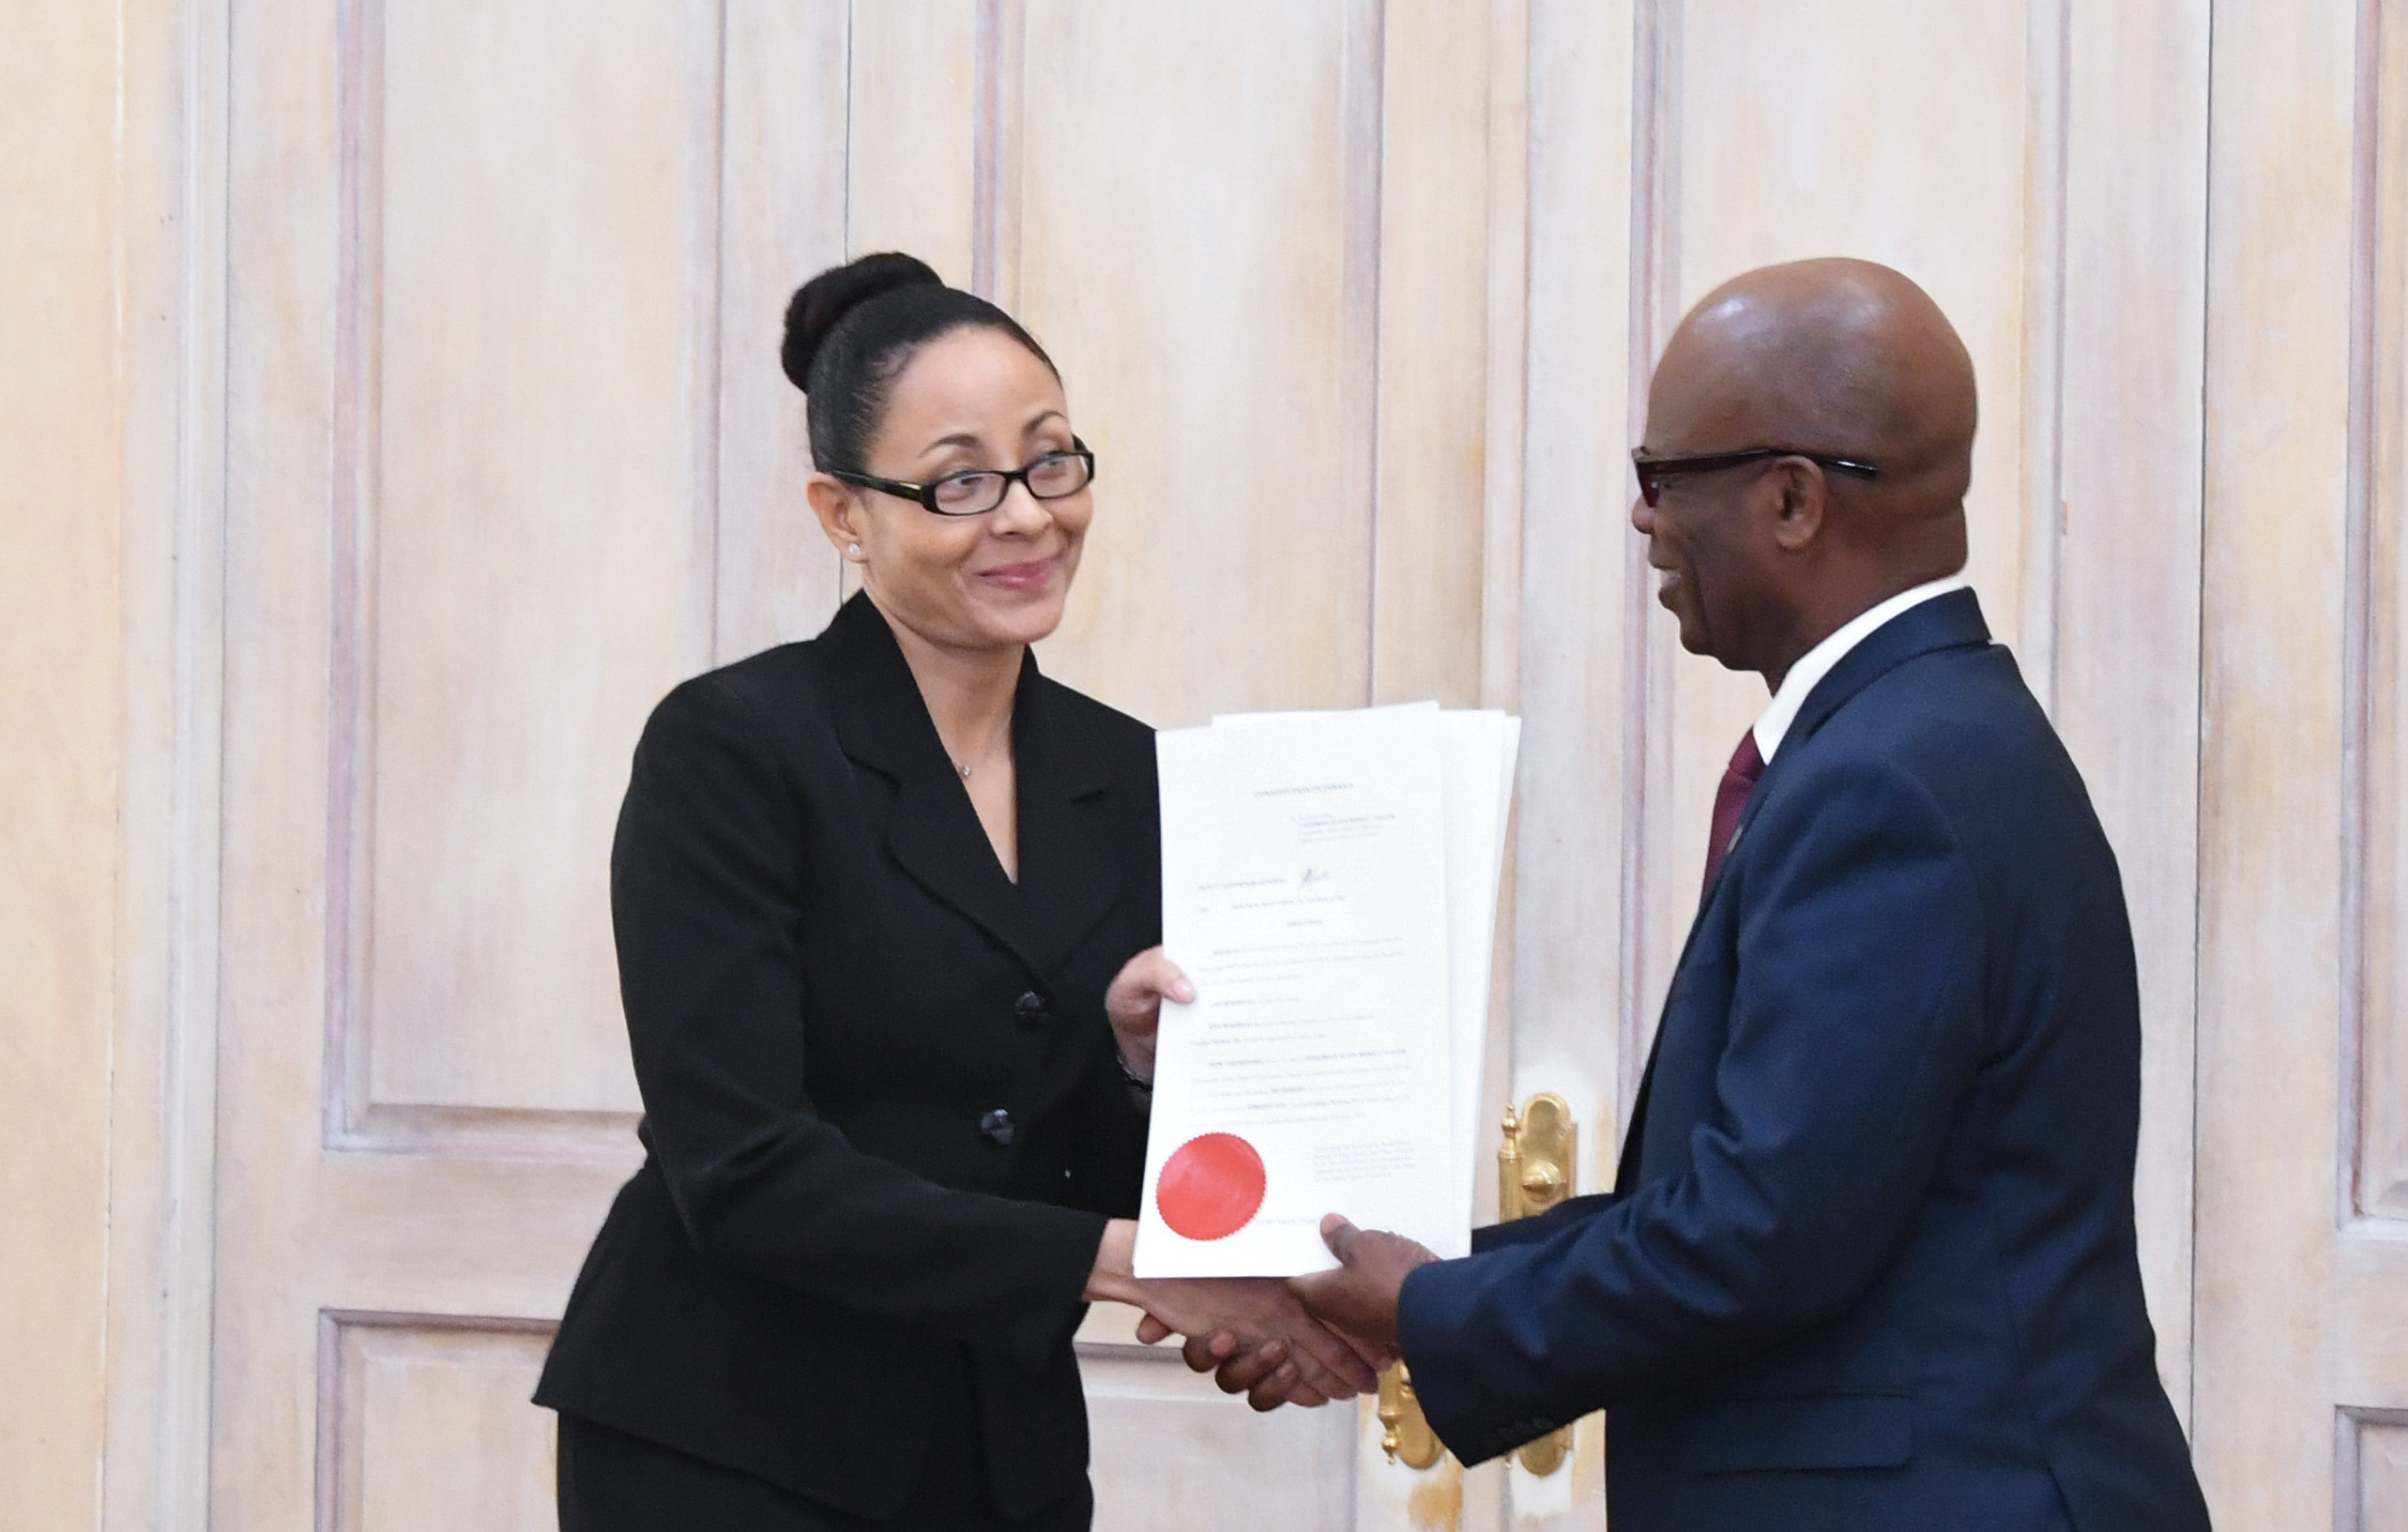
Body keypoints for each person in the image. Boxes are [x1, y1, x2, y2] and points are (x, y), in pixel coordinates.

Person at [1205, 260, 2212, 1529]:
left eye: (1660, 478)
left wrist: (1426, 1309)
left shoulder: (1890, 782)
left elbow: (1765, 1230)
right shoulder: (1923, 737)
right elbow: (1769, 1194)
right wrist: (1419, 1276)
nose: (1639, 521)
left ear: (1790, 499)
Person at [533, 253, 1372, 1532]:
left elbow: (1065, 1146)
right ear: (841, 512)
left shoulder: (1126, 771)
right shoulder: (733, 747)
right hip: (729, 1441)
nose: (1028, 515)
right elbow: (742, 1165)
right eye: (961, 480)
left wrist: (1141, 1068)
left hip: (998, 1449)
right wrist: (1134, 1263)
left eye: (1051, 460)